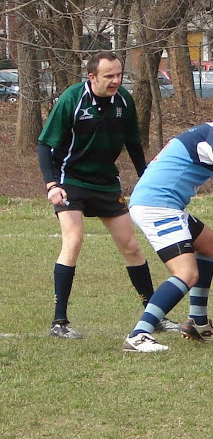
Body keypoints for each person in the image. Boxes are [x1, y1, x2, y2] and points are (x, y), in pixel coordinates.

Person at [37, 51, 177, 339]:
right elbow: (44, 145)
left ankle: (154, 315)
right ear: (92, 77)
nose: (115, 81)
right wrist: (52, 184)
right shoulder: (72, 99)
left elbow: (134, 145)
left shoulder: (124, 100)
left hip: (105, 183)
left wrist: (147, 179)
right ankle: (59, 322)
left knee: (132, 247)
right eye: (109, 76)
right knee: (73, 241)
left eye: (118, 75)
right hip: (71, 179)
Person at [122, 107, 213, 352]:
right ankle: (139, 334)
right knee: (187, 273)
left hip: (159, 202)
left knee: (208, 242)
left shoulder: (204, 135)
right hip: (158, 206)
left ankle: (197, 323)